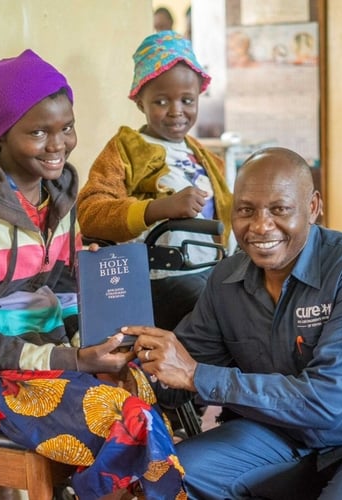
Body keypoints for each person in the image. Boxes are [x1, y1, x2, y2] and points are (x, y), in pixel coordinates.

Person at [0, 48, 184, 499]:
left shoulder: (59, 197)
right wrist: (73, 362)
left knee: (141, 381)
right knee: (130, 419)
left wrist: (91, 342)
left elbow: (65, 286)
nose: (57, 145)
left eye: (66, 128)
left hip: (46, 353)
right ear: (5, 132)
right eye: (38, 132)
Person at [126, 147, 342, 499]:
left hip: (339, 432)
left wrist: (198, 375)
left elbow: (329, 400)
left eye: (279, 209)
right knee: (175, 475)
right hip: (276, 436)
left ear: (313, 208)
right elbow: (174, 375)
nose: (260, 226)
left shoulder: (341, 269)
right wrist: (127, 357)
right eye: (246, 210)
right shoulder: (226, 279)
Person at [77, 30, 232, 331]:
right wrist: (158, 208)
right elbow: (90, 213)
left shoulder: (207, 158)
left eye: (187, 100)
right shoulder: (126, 148)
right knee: (220, 319)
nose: (177, 111)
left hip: (211, 270)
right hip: (158, 279)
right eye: (161, 101)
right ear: (140, 102)